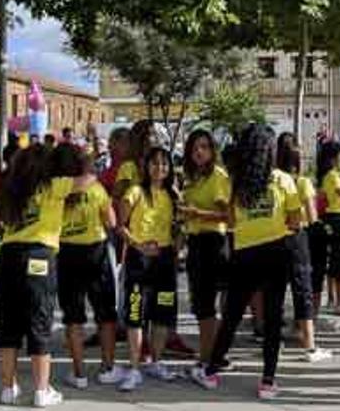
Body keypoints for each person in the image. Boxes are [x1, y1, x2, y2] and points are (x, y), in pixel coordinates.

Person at [190, 123, 299, 400]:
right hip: (277, 251)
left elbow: (232, 220)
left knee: (232, 316)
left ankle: (212, 372)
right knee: (273, 318)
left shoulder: (236, 183)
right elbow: (295, 221)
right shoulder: (284, 180)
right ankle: (268, 382)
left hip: (245, 253)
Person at [0, 144, 72, 407]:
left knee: (9, 323)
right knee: (40, 321)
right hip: (39, 257)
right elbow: (88, 179)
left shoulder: (11, 189)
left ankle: (8, 388)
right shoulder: (54, 186)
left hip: (7, 257)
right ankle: (41, 390)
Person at [51, 143, 123, 389]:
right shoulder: (96, 187)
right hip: (97, 252)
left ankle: (79, 373)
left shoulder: (54, 190)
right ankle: (107, 367)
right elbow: (112, 222)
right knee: (105, 314)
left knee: (73, 317)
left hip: (66, 254)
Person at [116, 146, 180, 391]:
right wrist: (138, 246)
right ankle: (134, 367)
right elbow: (120, 226)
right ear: (146, 166)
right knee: (135, 313)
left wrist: (178, 243)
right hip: (138, 261)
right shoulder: (134, 191)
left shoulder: (172, 194)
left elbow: (179, 225)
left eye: (165, 164)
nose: (160, 168)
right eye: (155, 163)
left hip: (164, 262)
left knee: (162, 312)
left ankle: (156, 362)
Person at [275, 132, 332, 363]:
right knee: (303, 290)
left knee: (276, 290)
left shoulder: (274, 179)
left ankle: (276, 338)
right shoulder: (302, 182)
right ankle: (309, 344)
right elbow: (311, 215)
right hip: (298, 238)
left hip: (275, 238)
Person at [179, 130, 232, 371]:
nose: (199, 152)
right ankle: (208, 353)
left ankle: (210, 356)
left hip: (214, 243)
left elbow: (229, 217)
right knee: (200, 303)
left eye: (204, 147)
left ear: (212, 150)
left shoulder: (217, 176)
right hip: (195, 243)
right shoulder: (192, 177)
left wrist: (198, 214)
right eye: (194, 147)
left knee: (208, 303)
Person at [317, 141, 340, 317]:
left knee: (333, 262)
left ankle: (332, 299)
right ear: (334, 157)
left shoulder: (328, 175)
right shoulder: (332, 175)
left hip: (333, 219)